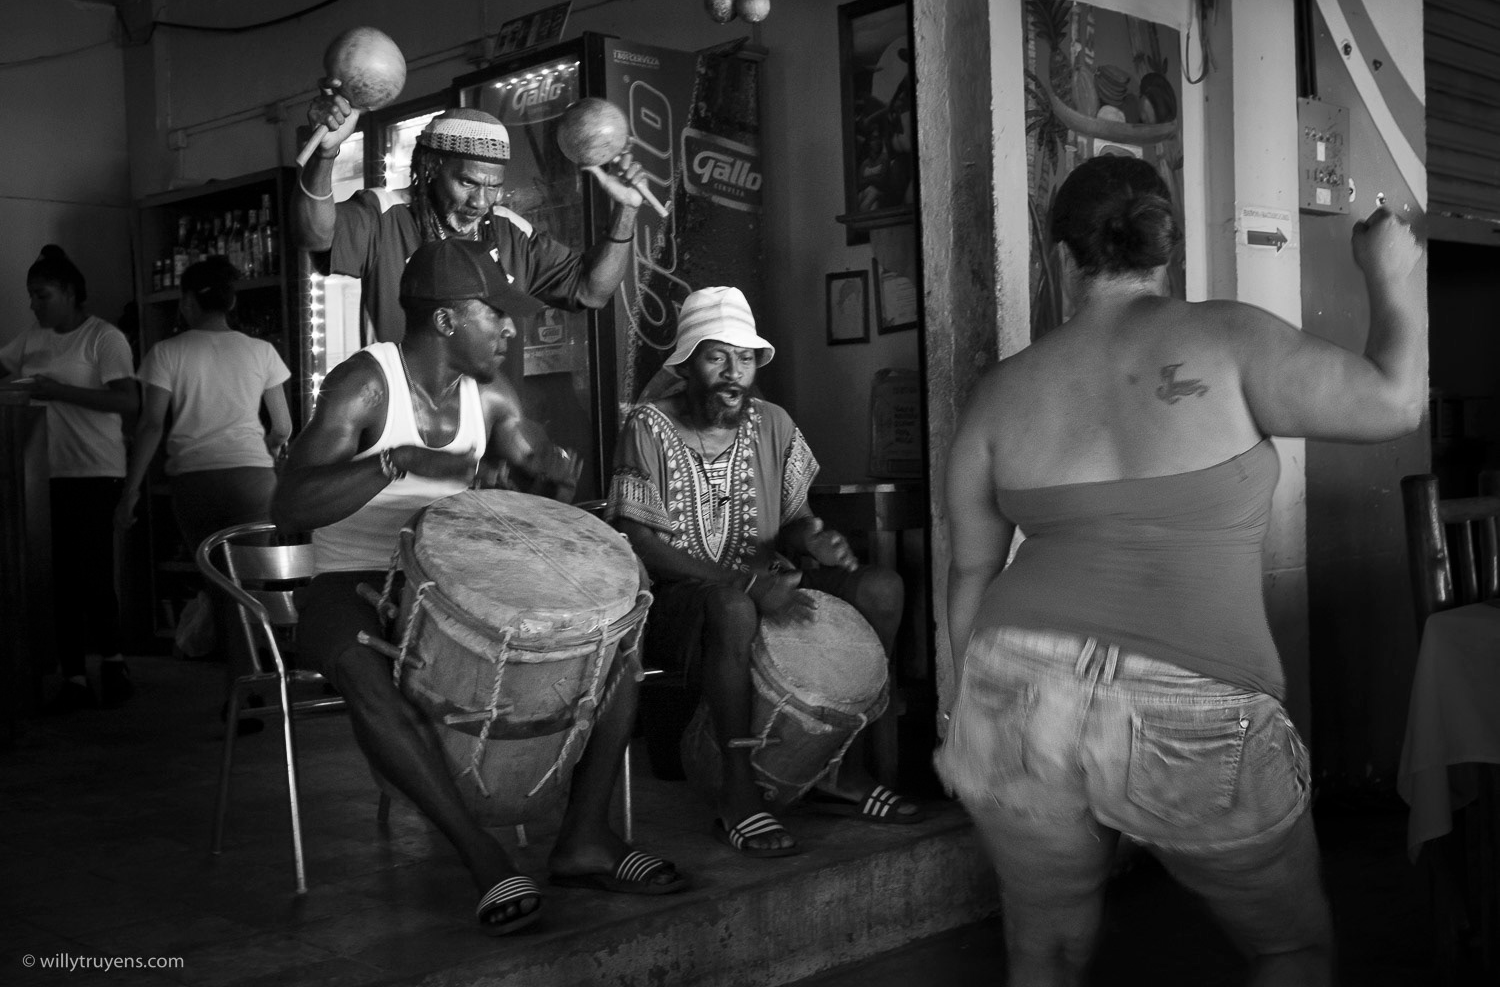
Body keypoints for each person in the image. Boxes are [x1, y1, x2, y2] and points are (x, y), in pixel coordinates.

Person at [939, 156, 1425, 986]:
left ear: (1060, 260)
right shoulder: (1228, 339)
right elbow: (1394, 401)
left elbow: (972, 572)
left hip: (1014, 685)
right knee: (1289, 950)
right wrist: (1392, 275)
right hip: (1194, 693)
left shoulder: (1000, 394)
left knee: (1045, 949)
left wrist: (961, 711)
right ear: (1167, 251)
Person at [271, 239, 685, 934]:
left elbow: (531, 459)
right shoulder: (366, 385)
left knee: (618, 648)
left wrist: (548, 472)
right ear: (444, 321)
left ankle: (584, 835)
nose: (511, 328)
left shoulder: (488, 396)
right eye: (494, 313)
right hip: (347, 583)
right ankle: (482, 855)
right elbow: (289, 506)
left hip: (449, 583)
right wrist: (391, 463)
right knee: (362, 668)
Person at [607, 286, 922, 859]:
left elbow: (797, 518)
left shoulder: (773, 422)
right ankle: (737, 791)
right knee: (732, 607)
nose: (733, 372)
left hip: (771, 585)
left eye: (745, 358)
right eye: (716, 356)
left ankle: (845, 768)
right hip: (681, 604)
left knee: (881, 587)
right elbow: (638, 540)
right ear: (687, 361)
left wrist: (815, 539)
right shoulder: (648, 427)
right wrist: (740, 583)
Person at [294, 98, 646, 343]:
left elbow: (592, 291)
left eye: (493, 187)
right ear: (431, 168)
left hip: (490, 431)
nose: (480, 202)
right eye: (467, 183)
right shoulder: (383, 213)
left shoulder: (510, 232)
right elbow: (315, 235)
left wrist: (627, 209)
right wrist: (326, 155)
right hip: (399, 423)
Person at [115, 257, 293, 728]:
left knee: (220, 587)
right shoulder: (261, 352)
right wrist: (270, 449)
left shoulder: (166, 353)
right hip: (255, 479)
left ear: (189, 301)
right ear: (232, 302)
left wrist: (131, 490)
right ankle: (254, 682)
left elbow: (152, 425)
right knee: (251, 586)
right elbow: (284, 426)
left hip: (195, 480)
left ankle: (244, 689)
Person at [0, 245, 139, 712]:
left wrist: (59, 392)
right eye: (31, 297)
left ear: (69, 292)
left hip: (95, 470)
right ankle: (74, 674)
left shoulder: (103, 338)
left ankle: (114, 662)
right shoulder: (29, 340)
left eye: (42, 295)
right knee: (56, 577)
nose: (35, 306)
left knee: (95, 574)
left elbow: (127, 402)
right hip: (44, 473)